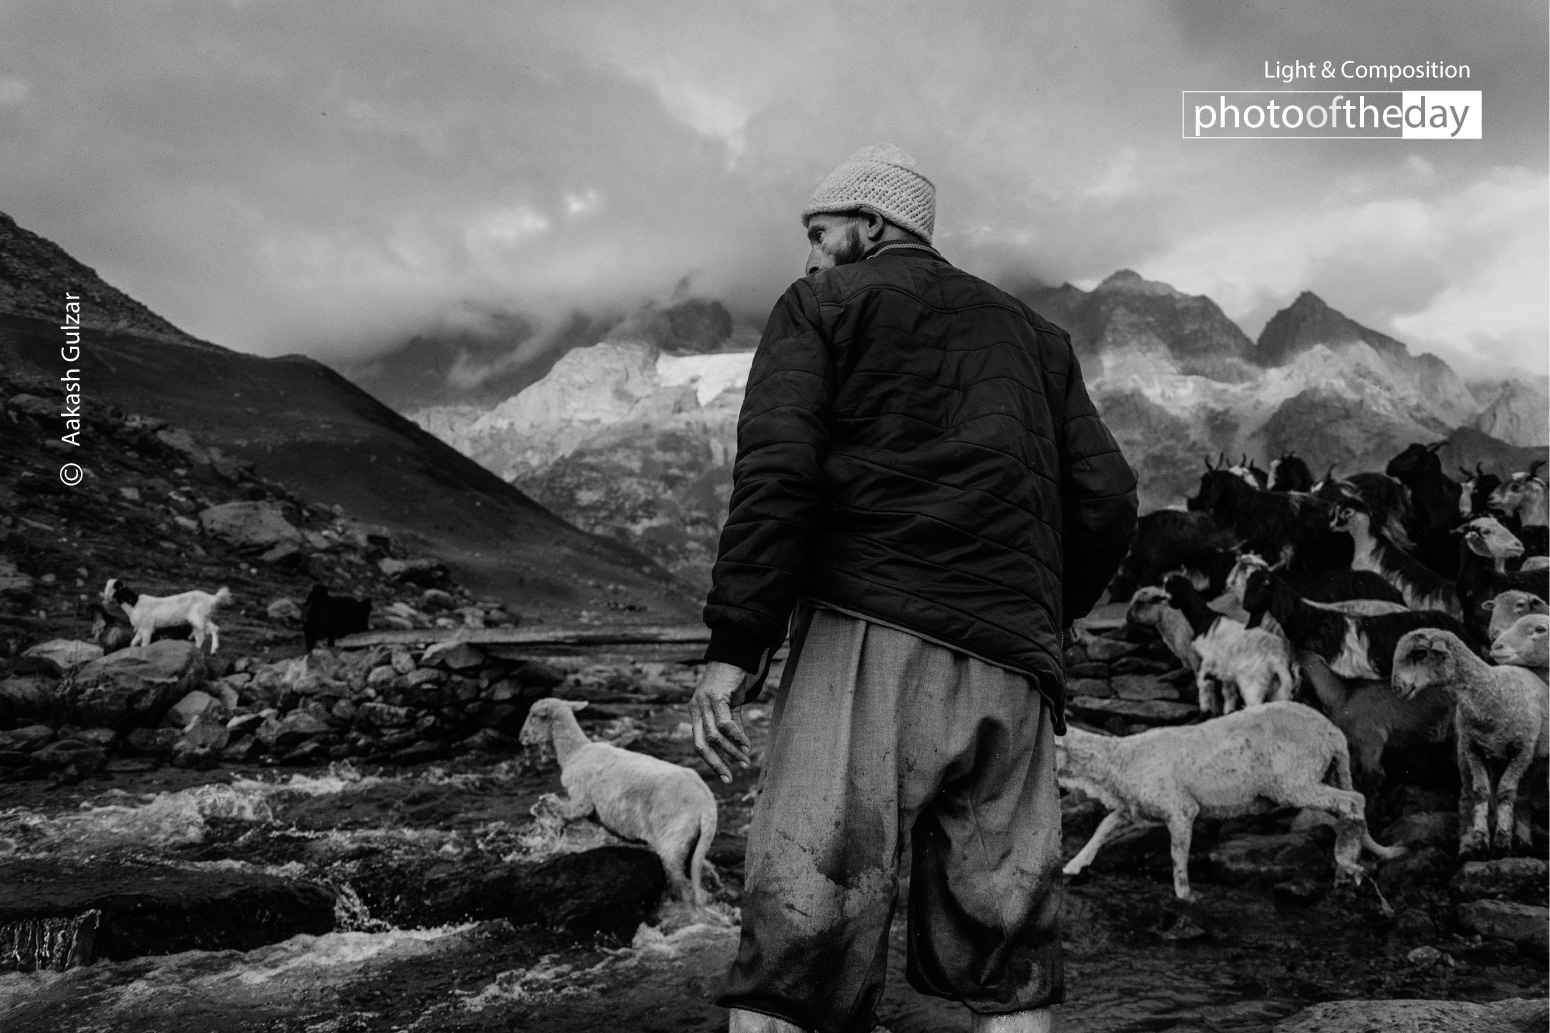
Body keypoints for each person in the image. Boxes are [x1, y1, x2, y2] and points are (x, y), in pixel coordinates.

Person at [690, 144, 1138, 1033]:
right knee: (1008, 953)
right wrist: (1041, 615)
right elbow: (1110, 497)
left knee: (799, 940)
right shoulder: (1038, 339)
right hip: (1012, 670)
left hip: (865, 640)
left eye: (820, 233)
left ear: (871, 225)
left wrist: (736, 644)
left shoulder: (819, 306)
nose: (811, 254)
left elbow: (778, 477)